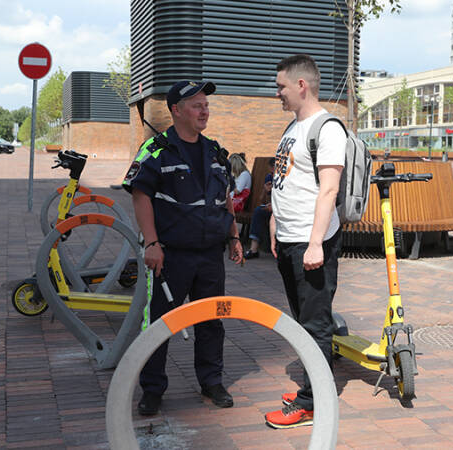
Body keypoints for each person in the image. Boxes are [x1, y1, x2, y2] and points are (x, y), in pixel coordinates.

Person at [122, 80, 244, 416]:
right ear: (176, 110)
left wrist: (233, 238)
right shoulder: (156, 150)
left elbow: (226, 200)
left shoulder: (216, 151)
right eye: (196, 105)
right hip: (170, 256)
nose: (204, 110)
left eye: (206, 105)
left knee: (212, 321)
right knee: (159, 324)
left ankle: (211, 382)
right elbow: (140, 195)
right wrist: (151, 243)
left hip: (209, 256)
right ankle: (152, 389)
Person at [263, 54, 345, 429]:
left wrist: (315, 244)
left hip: (313, 244)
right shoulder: (292, 128)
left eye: (280, 86)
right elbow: (285, 181)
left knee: (315, 323)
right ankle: (312, 388)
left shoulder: (327, 128)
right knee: (303, 319)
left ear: (301, 86)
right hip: (290, 238)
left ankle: (314, 402)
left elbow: (328, 190)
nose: (276, 92)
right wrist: (275, 223)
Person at [244, 158, 276, 259]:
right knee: (259, 210)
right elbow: (262, 200)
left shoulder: (285, 178)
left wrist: (275, 206)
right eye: (271, 172)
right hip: (272, 207)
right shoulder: (269, 178)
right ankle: (254, 249)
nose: (272, 175)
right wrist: (266, 191)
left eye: (273, 172)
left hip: (284, 207)